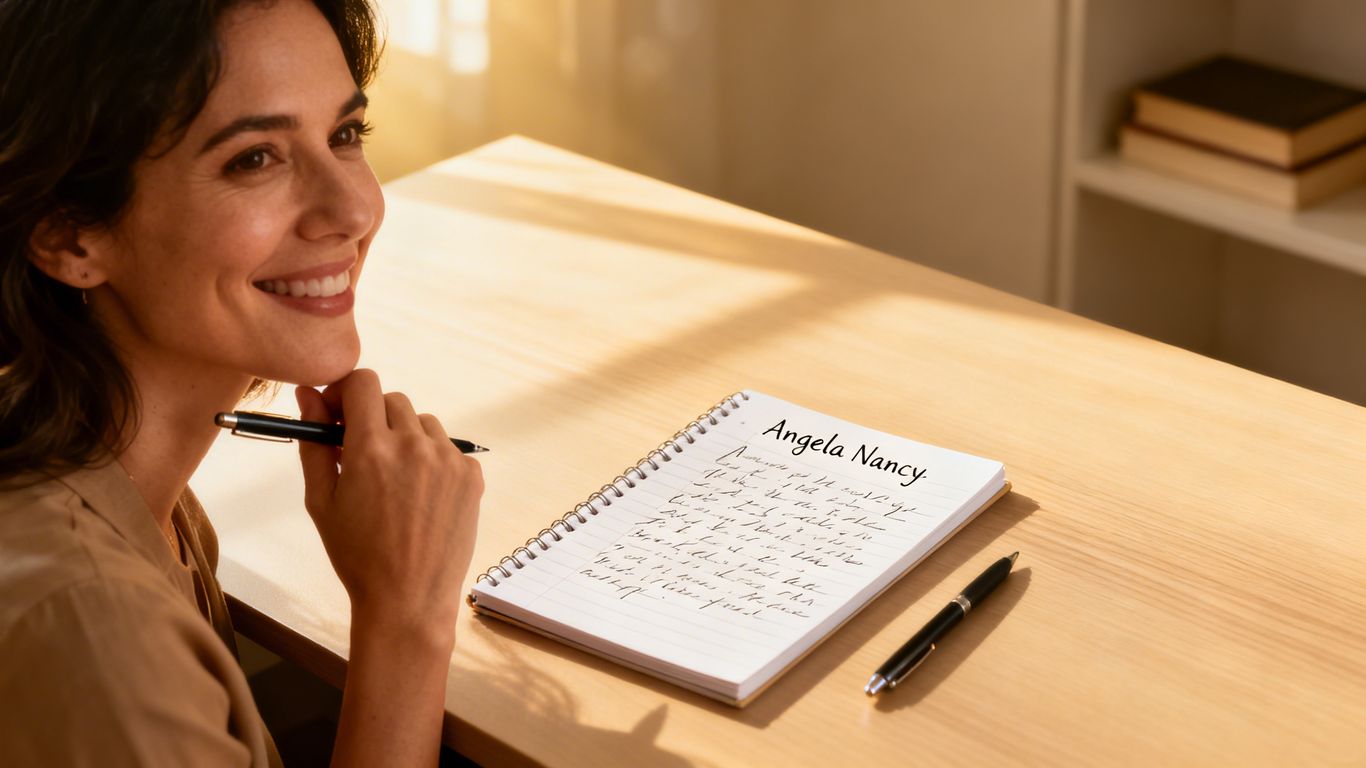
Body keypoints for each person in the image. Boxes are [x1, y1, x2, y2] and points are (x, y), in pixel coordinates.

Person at [0, 0, 484, 765]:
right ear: (66, 233)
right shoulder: (94, 630)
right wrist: (406, 619)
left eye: (345, 134)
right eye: (254, 158)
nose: (355, 208)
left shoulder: (137, 488)